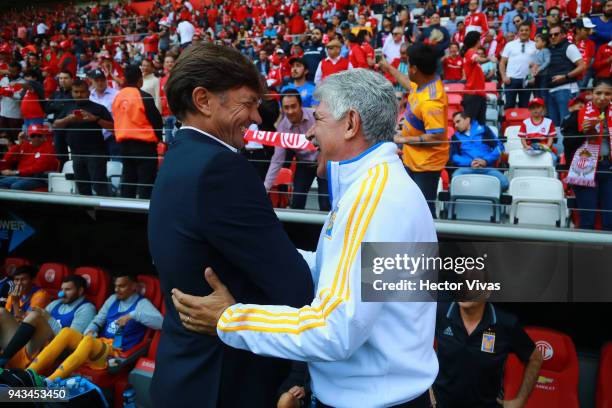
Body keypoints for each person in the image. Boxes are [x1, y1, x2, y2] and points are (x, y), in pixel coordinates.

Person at [172, 68, 438, 408]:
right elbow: (341, 270)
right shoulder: (380, 188)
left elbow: (334, 330)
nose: (311, 132)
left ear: (350, 124)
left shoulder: (373, 200)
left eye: (320, 119)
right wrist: (261, 253)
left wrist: (231, 319)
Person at [148, 43, 314, 408]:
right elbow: (293, 286)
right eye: (248, 103)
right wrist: (235, 317)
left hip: (186, 377)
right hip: (223, 383)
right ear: (204, 100)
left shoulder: (180, 156)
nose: (257, 118)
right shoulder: (222, 168)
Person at [28, 272, 163, 380]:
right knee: (67, 332)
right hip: (98, 345)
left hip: (115, 353)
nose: (117, 290)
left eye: (122, 286)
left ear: (134, 287)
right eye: (115, 286)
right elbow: (97, 320)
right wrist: (91, 330)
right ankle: (28, 373)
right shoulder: (112, 299)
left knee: (88, 341)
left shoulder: (142, 304)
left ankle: (48, 382)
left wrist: (133, 315)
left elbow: (161, 323)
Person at [381, 43, 449, 216]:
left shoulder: (432, 102)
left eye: (409, 64)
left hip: (425, 166)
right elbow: (410, 85)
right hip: (412, 158)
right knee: (409, 207)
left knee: (422, 212)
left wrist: (403, 140)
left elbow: (437, 137)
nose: (407, 67)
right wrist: (389, 68)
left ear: (414, 69)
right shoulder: (424, 82)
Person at [433, 301, 543, 407]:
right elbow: (418, 345)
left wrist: (520, 401)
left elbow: (535, 358)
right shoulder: (439, 312)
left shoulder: (506, 323)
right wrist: (428, 392)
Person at [0, 275, 95, 369]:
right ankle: (8, 356)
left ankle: (2, 361)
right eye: (62, 289)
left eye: (68, 290)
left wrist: (48, 318)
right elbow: (26, 322)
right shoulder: (56, 303)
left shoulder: (86, 309)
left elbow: (70, 342)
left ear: (80, 291)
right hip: (35, 344)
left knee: (35, 316)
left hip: (57, 351)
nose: (62, 293)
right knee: (1, 312)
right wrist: (16, 303)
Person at [263, 89, 329, 211]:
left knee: (325, 204)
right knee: (297, 203)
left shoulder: (316, 116)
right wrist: (265, 188)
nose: (290, 111)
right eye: (286, 108)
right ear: (281, 109)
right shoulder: (282, 127)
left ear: (301, 105)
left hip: (323, 161)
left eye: (293, 106)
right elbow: (277, 159)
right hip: (303, 164)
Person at [562, 79, 612, 230]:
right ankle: (585, 252)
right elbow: (567, 143)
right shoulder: (578, 114)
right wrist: (582, 133)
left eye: (608, 94)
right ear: (591, 94)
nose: (602, 97)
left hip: (608, 168)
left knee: (610, 219)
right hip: (584, 167)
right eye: (598, 93)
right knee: (587, 219)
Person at [53, 78, 114, 196]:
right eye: (76, 92)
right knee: (82, 187)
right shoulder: (67, 107)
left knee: (99, 186)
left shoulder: (98, 108)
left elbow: (113, 128)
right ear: (72, 92)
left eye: (82, 92)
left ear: (88, 92)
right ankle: (87, 212)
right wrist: (68, 119)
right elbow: (55, 124)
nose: (79, 95)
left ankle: (105, 212)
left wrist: (95, 119)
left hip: (96, 154)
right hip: (76, 154)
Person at [112, 64, 163, 199]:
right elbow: (156, 121)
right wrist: (158, 140)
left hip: (124, 146)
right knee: (146, 184)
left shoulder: (118, 97)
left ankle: (128, 215)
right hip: (144, 147)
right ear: (140, 80)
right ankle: (144, 216)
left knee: (128, 182)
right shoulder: (143, 96)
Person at [547, 25, 587, 145]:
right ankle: (561, 153)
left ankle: (569, 152)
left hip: (566, 89)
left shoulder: (569, 47)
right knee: (555, 125)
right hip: (552, 90)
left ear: (563, 35)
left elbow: (582, 66)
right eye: (550, 35)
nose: (553, 37)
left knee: (567, 123)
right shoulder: (550, 49)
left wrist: (565, 76)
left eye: (556, 34)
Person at [450, 111, 508, 191]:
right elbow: (454, 157)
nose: (456, 125)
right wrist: (470, 162)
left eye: (458, 121)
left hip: (486, 167)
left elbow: (499, 147)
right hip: (467, 169)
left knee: (504, 183)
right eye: (454, 123)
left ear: (467, 120)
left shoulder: (484, 130)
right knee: (454, 181)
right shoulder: (455, 137)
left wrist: (486, 160)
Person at [0, 124, 58, 191]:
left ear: (44, 137)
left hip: (39, 179)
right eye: (33, 136)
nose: (36, 138)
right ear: (29, 137)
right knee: (2, 183)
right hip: (22, 176)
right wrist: (19, 144)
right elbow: (8, 158)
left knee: (16, 186)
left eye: (39, 136)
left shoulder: (48, 148)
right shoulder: (25, 145)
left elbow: (38, 168)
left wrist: (16, 172)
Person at [500, 22, 536, 109]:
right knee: (509, 106)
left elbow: (536, 64)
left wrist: (532, 77)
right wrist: (504, 77)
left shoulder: (535, 45)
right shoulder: (510, 45)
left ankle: (522, 123)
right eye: (521, 30)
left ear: (530, 31)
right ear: (518, 32)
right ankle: (508, 123)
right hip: (511, 80)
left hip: (527, 80)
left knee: (525, 107)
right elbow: (502, 62)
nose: (524, 32)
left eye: (526, 30)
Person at [88, 69, 120, 160]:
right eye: (97, 80)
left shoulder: (116, 94)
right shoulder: (89, 96)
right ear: (92, 81)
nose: (100, 83)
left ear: (106, 80)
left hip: (113, 136)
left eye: (102, 80)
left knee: (116, 165)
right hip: (95, 138)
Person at [45, 70, 74, 167]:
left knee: (75, 154)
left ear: (72, 79)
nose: (62, 80)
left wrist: (56, 106)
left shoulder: (76, 93)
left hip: (72, 129)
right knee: (60, 155)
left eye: (65, 78)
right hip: (58, 129)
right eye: (61, 78)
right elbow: (48, 108)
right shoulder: (56, 94)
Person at [461, 31, 490, 125]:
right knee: (470, 124)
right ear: (477, 41)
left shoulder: (471, 53)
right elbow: (478, 59)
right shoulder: (470, 52)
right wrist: (488, 59)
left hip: (478, 94)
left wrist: (483, 94)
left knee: (480, 125)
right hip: (472, 95)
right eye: (480, 39)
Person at [518, 98, 558, 163]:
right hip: (530, 149)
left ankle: (552, 173)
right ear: (530, 110)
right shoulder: (525, 122)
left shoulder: (548, 122)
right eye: (533, 108)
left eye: (538, 107)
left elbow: (551, 138)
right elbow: (522, 138)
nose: (535, 110)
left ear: (543, 108)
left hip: (544, 148)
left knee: (553, 158)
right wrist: (526, 146)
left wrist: (547, 146)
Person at [0, 63, 26, 144]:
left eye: (13, 71)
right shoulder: (4, 80)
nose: (10, 73)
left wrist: (9, 93)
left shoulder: (23, 82)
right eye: (9, 71)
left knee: (16, 138)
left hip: (15, 115)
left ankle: (19, 154)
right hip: (3, 113)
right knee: (5, 139)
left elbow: (20, 97)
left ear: (19, 71)